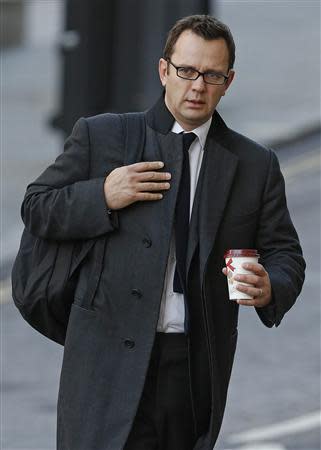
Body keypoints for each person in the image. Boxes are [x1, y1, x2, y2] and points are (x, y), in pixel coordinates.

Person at [21, 14, 305, 450]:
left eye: (211, 75)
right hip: (104, 367)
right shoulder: (104, 135)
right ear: (163, 70)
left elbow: (286, 254)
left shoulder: (254, 164)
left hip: (191, 372)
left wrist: (270, 286)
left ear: (228, 81)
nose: (197, 86)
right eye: (186, 71)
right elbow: (37, 206)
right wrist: (102, 194)